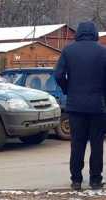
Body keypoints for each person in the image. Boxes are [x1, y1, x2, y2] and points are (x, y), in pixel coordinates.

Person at [54, 21, 106, 190]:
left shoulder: (68, 50)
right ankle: (95, 180)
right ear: (94, 33)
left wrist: (67, 88)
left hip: (75, 106)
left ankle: (76, 180)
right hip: (98, 106)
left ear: (79, 33)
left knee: (77, 144)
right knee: (97, 144)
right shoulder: (102, 51)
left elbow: (59, 75)